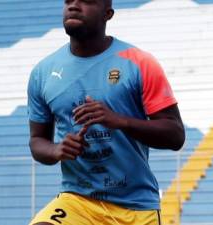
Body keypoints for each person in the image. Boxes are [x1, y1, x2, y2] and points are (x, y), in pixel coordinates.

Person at [27, 0, 185, 224]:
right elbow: (37, 140)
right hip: (78, 201)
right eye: (68, 0)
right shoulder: (43, 73)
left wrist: (120, 121)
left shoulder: (139, 63)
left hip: (136, 207)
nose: (73, 6)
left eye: (86, 1)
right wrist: (56, 149)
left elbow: (175, 135)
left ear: (107, 14)